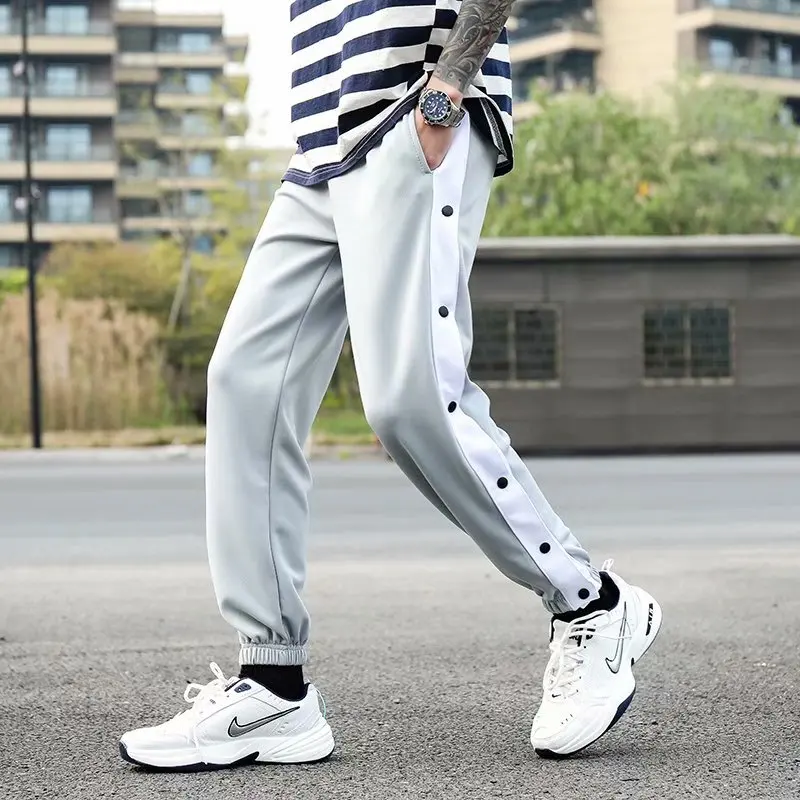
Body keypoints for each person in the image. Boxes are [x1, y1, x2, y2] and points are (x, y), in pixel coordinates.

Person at [119, 0, 662, 770]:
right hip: (322, 141)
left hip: (416, 105)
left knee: (411, 401)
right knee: (245, 385)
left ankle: (592, 603)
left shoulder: (435, 101)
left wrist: (447, 91)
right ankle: (273, 684)